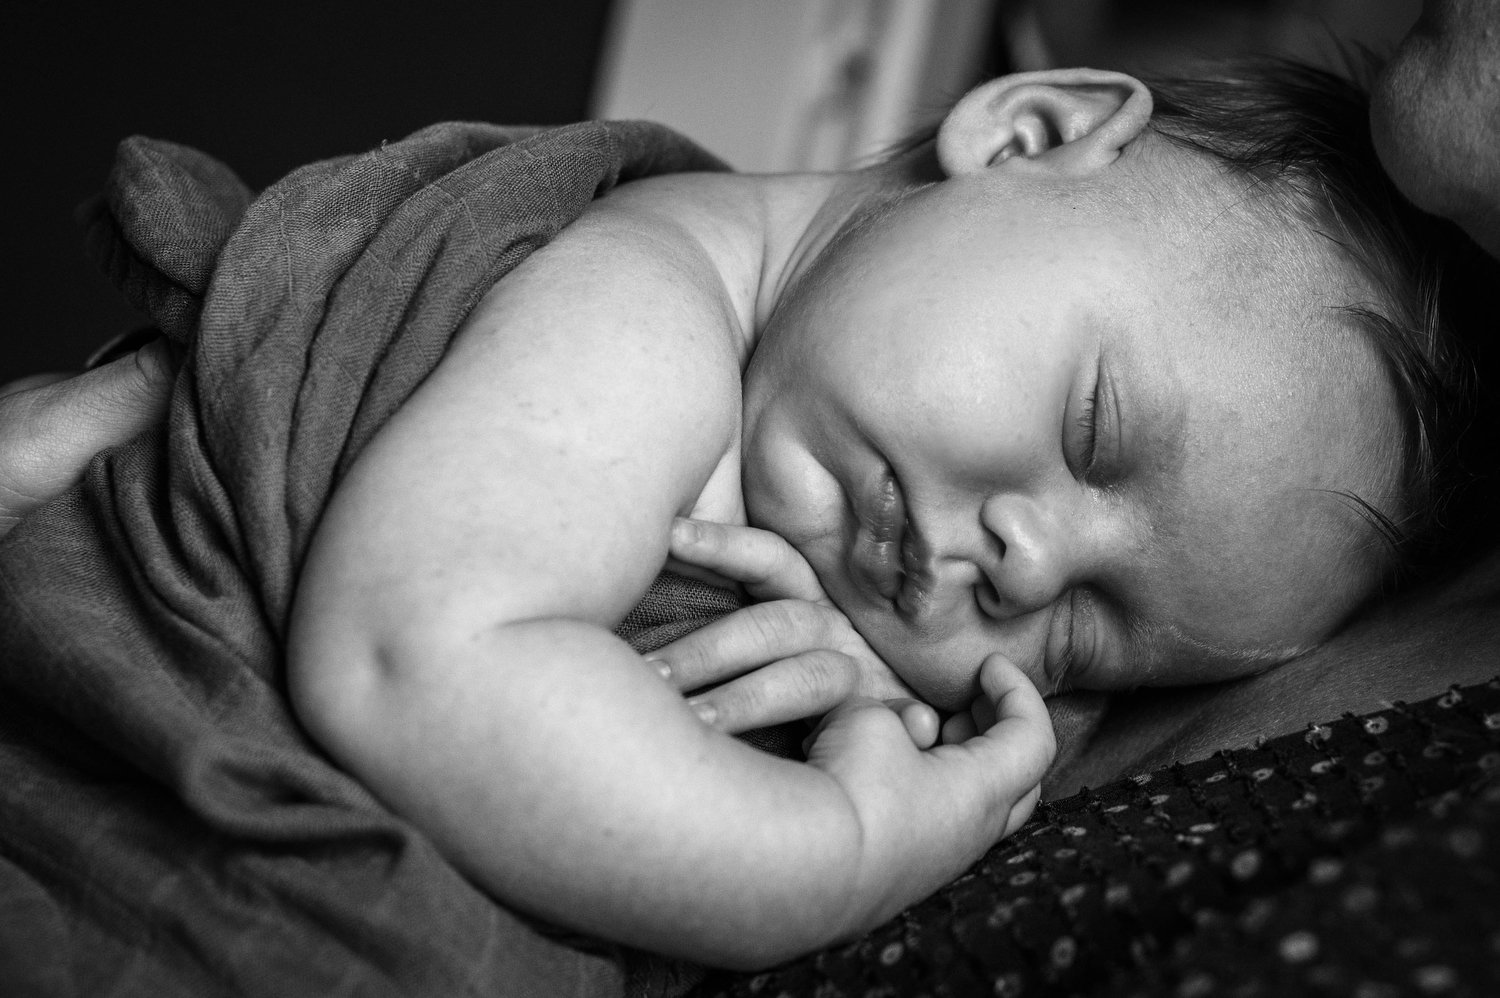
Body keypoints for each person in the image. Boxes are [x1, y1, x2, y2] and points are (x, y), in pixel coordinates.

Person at [0, 53, 1487, 969]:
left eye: (1095, 634)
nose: (1031, 562)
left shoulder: (817, 442)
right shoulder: (644, 309)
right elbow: (413, 662)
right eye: (1097, 432)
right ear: (1028, 138)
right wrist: (836, 846)